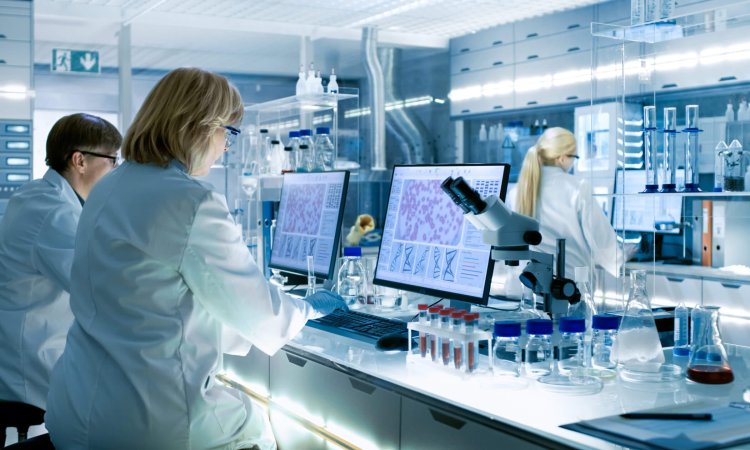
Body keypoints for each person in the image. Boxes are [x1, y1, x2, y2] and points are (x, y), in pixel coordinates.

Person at [45, 67, 347, 450]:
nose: (226, 147)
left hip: (76, 410)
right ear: (202, 127)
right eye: (229, 133)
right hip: (146, 423)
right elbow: (263, 317)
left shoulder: (107, 188)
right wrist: (307, 308)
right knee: (267, 433)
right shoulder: (190, 201)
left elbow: (152, 299)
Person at [0, 113, 122, 410]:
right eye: (112, 160)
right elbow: (96, 287)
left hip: (28, 349)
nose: (116, 171)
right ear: (80, 161)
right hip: (31, 365)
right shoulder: (53, 212)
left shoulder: (36, 196)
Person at [508, 127, 630, 279]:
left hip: (527, 283)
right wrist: (620, 258)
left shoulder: (518, 191)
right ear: (562, 158)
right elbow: (599, 236)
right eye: (575, 157)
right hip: (570, 285)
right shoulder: (577, 187)